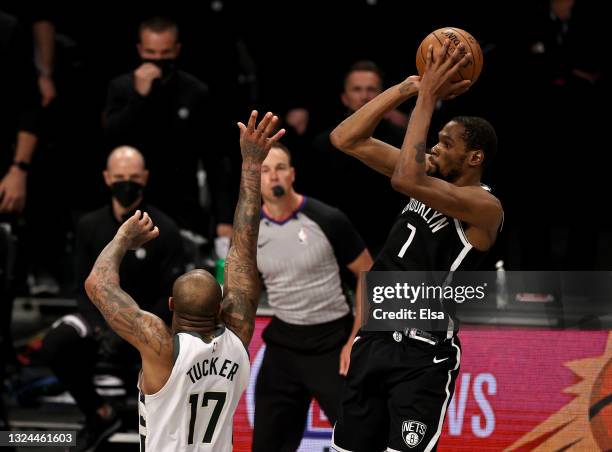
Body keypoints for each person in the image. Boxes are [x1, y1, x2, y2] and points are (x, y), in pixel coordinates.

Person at [329, 41, 503, 451]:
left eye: (446, 143)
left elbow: (405, 180)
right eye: (436, 140)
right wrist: (409, 86)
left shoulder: (484, 207)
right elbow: (345, 137)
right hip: (375, 338)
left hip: (423, 353)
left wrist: (428, 96)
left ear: (474, 157)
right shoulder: (426, 175)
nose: (435, 148)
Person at [84, 111, 284, 451]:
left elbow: (97, 285)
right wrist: (252, 166)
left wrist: (121, 239)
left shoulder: (161, 347)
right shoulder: (239, 335)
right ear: (221, 306)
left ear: (172, 306)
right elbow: (243, 249)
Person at [39, 146, 185, 451]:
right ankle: (99, 415)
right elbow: (83, 285)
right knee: (56, 342)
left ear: (145, 178)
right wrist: (101, 326)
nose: (126, 183)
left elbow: (169, 294)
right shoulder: (90, 225)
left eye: (133, 177)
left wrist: (134, 328)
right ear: (106, 178)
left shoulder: (166, 229)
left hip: (147, 324)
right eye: (119, 177)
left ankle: (158, 426)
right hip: (100, 318)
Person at [252, 143, 373, 452]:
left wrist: (355, 339)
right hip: (283, 344)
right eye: (264, 170)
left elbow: (368, 273)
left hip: (332, 343)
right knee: (267, 443)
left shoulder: (326, 218)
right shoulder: (250, 229)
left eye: (279, 168)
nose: (273, 176)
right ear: (255, 179)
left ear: (292, 175)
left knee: (359, 438)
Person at [104, 16, 234, 239]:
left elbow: (214, 159)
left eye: (165, 53)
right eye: (151, 53)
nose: (158, 59)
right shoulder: (122, 88)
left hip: (183, 201)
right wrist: (138, 96)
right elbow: (112, 138)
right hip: (134, 199)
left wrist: (223, 217)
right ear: (139, 49)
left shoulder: (196, 92)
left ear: (177, 50)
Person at [309, 61, 407, 254]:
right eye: (357, 89)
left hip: (393, 239)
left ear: (384, 96)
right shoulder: (323, 143)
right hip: (339, 240)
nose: (364, 96)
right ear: (345, 98)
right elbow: (316, 197)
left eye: (371, 89)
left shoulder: (403, 138)